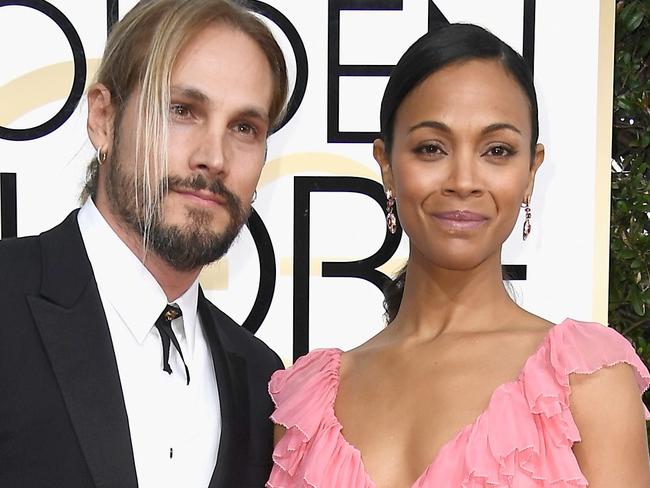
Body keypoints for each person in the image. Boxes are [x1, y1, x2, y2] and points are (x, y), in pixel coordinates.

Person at [266, 23, 650, 488]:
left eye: (497, 150)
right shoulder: (306, 403)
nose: (464, 180)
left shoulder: (587, 381)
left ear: (531, 171)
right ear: (386, 164)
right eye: (432, 148)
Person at [0, 1, 287, 487]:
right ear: (104, 119)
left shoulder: (261, 379)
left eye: (244, 128)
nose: (214, 158)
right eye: (182, 111)